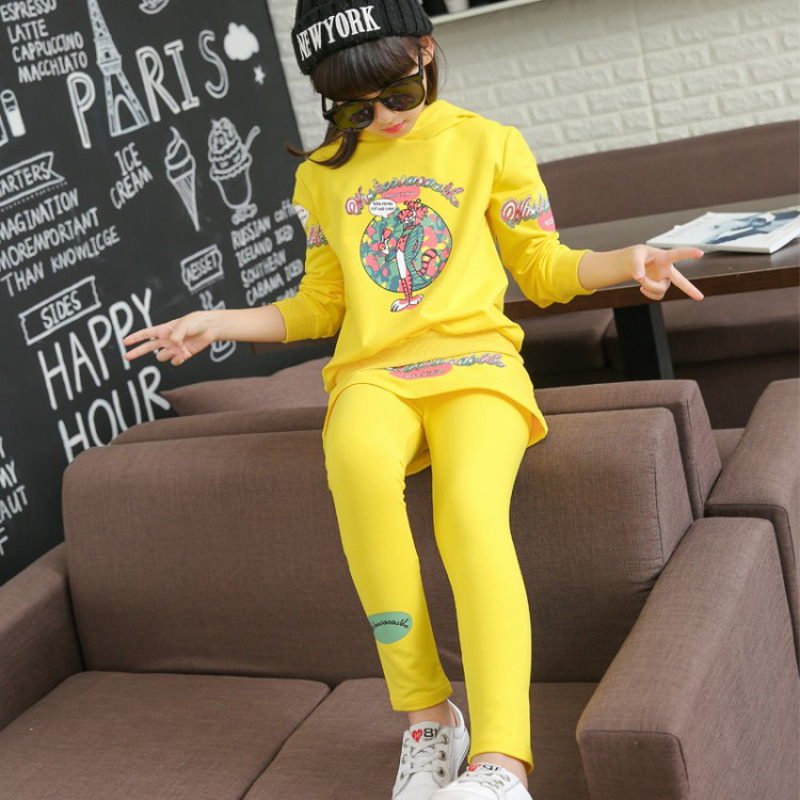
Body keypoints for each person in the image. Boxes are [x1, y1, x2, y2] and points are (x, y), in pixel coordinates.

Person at [123, 1, 704, 797]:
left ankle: (500, 764)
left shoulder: (488, 143)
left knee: (468, 515)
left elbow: (541, 267)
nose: (384, 118)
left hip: (477, 365)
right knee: (356, 468)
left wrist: (625, 262)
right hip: (374, 374)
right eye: (355, 108)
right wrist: (219, 322)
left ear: (426, 53)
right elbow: (321, 305)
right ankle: (429, 718)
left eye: (398, 93)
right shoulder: (321, 174)